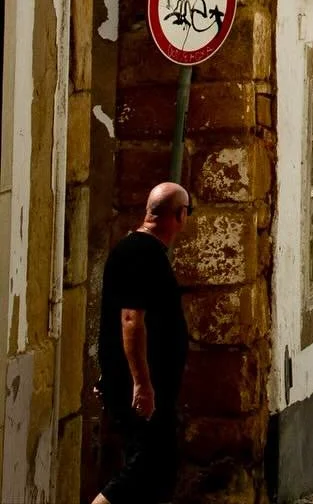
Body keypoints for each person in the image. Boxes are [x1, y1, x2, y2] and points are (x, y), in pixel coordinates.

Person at [92, 181, 191, 504]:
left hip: (144, 383)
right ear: (179, 215)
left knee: (158, 472)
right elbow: (131, 321)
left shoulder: (140, 251)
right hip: (141, 387)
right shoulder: (140, 254)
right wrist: (141, 384)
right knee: (144, 466)